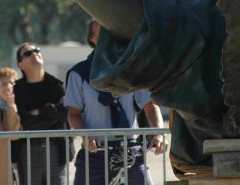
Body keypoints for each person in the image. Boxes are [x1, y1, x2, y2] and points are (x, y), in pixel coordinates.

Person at [65, 21, 165, 185]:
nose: (107, 35)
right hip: (94, 154)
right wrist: (86, 135)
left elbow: (150, 105)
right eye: (101, 32)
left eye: (109, 30)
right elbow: (73, 114)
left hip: (130, 150)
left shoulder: (132, 70)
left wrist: (159, 133)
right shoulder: (79, 73)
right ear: (91, 39)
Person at [13, 43, 69, 185]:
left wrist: (39, 112)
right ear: (20, 65)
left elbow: (64, 114)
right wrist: (51, 113)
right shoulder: (17, 90)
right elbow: (24, 121)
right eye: (28, 53)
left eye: (37, 50)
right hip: (28, 150)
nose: (34, 54)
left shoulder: (56, 85)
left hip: (56, 148)